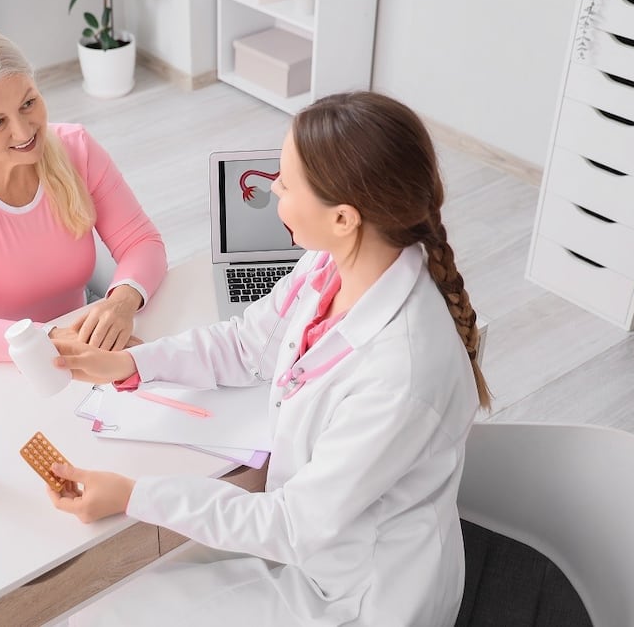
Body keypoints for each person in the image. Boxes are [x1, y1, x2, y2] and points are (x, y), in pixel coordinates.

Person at [46, 92, 491, 626]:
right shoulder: (330, 265)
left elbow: (290, 524)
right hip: (316, 544)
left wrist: (132, 494)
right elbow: (246, 344)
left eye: (286, 180)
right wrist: (134, 366)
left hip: (361, 597)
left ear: (345, 217)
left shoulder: (402, 373)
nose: (273, 187)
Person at [0, 28, 167, 365]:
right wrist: (51, 340)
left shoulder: (77, 148)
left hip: (76, 333)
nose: (24, 132)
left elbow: (142, 241)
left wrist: (122, 302)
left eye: (29, 103)